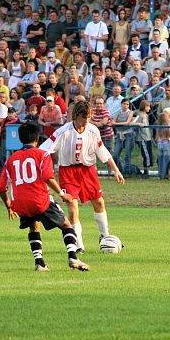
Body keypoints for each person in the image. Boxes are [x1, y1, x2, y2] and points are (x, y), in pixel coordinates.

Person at [0, 122, 89, 272]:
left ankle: (39, 263)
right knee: (66, 225)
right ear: (37, 139)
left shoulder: (11, 159)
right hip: (39, 199)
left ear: (20, 139)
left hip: (20, 202)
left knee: (34, 227)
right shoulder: (43, 154)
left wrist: (9, 207)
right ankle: (73, 257)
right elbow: (48, 178)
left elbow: (1, 188)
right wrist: (62, 193)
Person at [39, 101, 125, 253]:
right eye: (84, 117)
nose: (86, 121)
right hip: (68, 171)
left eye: (89, 117)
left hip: (88, 171)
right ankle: (78, 244)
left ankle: (105, 236)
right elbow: (44, 150)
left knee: (99, 202)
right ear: (76, 116)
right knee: (72, 205)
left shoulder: (92, 130)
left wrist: (116, 170)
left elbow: (102, 150)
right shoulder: (63, 131)